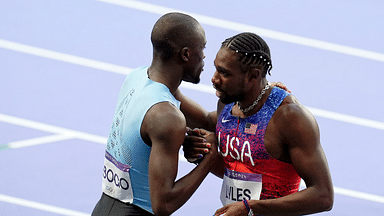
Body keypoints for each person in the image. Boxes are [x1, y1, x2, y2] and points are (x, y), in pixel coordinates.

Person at [180, 32, 334, 215]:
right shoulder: (228, 103)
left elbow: (323, 196)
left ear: (253, 76)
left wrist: (250, 207)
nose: (214, 78)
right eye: (216, 68)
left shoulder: (289, 118)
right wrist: (202, 154)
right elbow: (240, 170)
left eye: (224, 73)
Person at [91, 12, 218, 216]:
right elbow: (163, 205)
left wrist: (261, 95)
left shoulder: (138, 77)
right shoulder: (168, 117)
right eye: (202, 48)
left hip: (104, 208)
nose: (204, 56)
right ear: (185, 54)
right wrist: (210, 159)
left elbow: (207, 121)